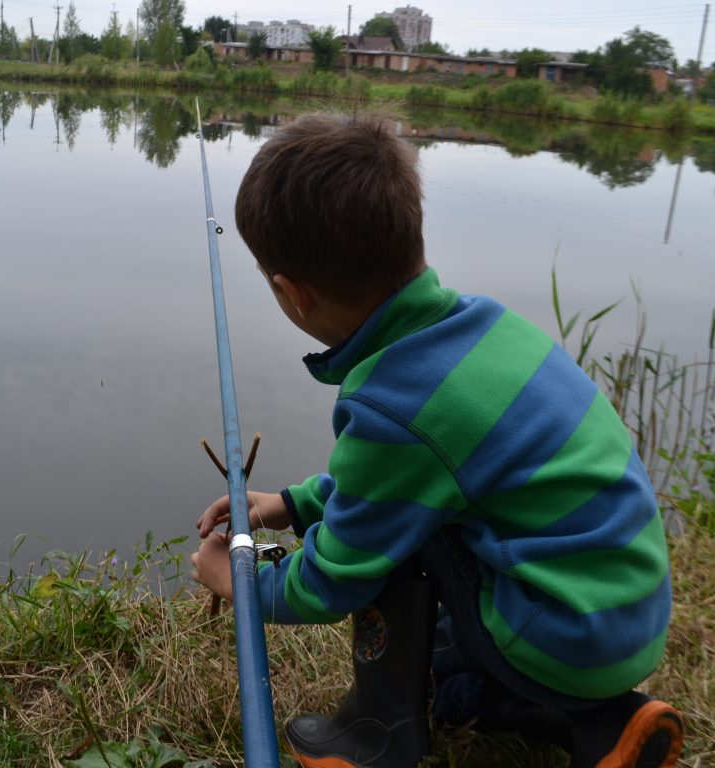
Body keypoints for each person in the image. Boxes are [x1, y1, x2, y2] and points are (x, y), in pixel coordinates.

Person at [189, 112, 684, 768]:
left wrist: (240, 583)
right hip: (619, 620)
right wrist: (292, 503)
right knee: (446, 669)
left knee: (407, 537)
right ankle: (605, 725)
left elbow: (335, 579)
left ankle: (379, 734)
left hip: (567, 636)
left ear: (293, 294)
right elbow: (410, 474)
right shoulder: (485, 327)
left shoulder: (394, 405)